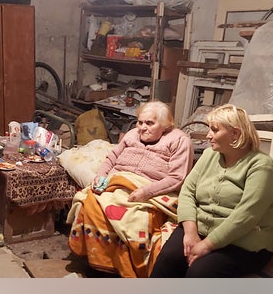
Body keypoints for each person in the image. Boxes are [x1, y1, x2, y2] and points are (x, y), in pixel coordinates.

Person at [150, 104, 273, 278]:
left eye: (214, 130)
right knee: (169, 258)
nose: (208, 135)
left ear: (235, 134)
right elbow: (188, 191)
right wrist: (190, 233)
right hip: (201, 230)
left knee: (199, 272)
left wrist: (206, 245)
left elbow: (245, 217)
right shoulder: (209, 155)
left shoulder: (260, 166)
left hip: (242, 243)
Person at [66, 101, 194, 278]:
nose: (142, 127)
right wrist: (101, 176)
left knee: (134, 219)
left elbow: (177, 178)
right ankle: (100, 263)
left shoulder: (180, 140)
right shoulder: (132, 134)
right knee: (89, 203)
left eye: (149, 123)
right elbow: (111, 157)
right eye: (140, 122)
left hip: (149, 187)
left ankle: (125, 267)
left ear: (165, 125)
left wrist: (146, 192)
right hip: (118, 180)